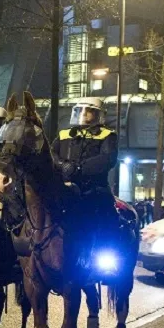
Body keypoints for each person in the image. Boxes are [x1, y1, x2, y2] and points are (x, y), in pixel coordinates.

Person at [51, 97, 119, 257]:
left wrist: (79, 168)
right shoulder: (64, 134)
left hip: (94, 190)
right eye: (80, 111)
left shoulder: (107, 135)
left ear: (97, 114)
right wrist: (61, 165)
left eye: (88, 111)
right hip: (65, 189)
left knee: (108, 217)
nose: (83, 114)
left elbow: (108, 159)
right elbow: (51, 154)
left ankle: (109, 255)